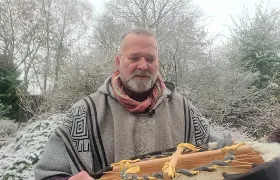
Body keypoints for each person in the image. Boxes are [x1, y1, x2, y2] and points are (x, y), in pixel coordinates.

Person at [34, 28, 210, 180]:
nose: (143, 65)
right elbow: (48, 173)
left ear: (158, 63)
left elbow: (223, 151)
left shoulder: (184, 109)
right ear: (118, 62)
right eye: (134, 58)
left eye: (150, 59)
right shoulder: (84, 113)